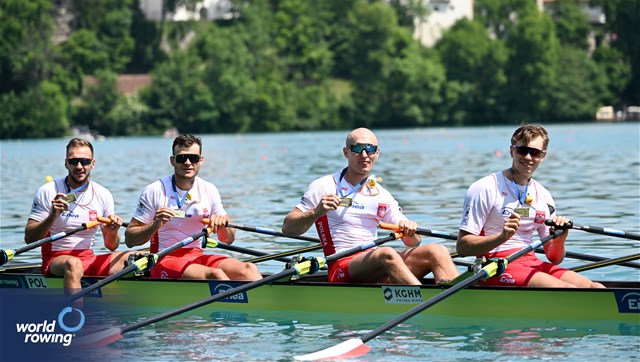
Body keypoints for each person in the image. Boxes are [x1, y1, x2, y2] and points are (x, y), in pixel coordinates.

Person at [282, 127, 458, 285]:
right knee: (386, 254)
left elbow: (412, 243)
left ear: (377, 152)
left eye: (370, 149)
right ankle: (427, 303)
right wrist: (316, 212)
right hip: (341, 267)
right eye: (357, 149)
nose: (364, 155)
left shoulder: (382, 195)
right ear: (346, 152)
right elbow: (288, 228)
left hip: (375, 265)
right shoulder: (325, 185)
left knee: (438, 250)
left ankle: (457, 300)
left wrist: (412, 231)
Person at [456, 123, 604, 288]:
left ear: (543, 156)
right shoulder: (485, 188)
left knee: (595, 287)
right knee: (567, 289)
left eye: (534, 152)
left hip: (530, 262)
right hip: (494, 266)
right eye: (522, 150)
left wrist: (560, 240)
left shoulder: (544, 195)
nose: (528, 157)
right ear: (512, 150)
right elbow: (462, 247)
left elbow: (554, 257)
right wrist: (501, 237)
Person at [125, 134, 261, 281]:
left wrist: (222, 225)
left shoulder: (209, 189)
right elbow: (130, 239)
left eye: (194, 158)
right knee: (215, 275)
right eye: (182, 158)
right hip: (163, 258)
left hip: (197, 256)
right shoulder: (155, 190)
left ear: (201, 160)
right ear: (173, 161)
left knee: (249, 269)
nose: (188, 163)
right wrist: (155, 224)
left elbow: (228, 239)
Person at [25, 138, 131, 296]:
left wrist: (112, 231)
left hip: (88, 258)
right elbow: (29, 239)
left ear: (93, 163)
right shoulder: (48, 191)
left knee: (132, 258)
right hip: (56, 260)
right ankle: (73, 317)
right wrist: (52, 216)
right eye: (74, 161)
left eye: (85, 161)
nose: (79, 166)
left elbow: (111, 246)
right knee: (74, 264)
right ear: (66, 163)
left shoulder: (103, 194)